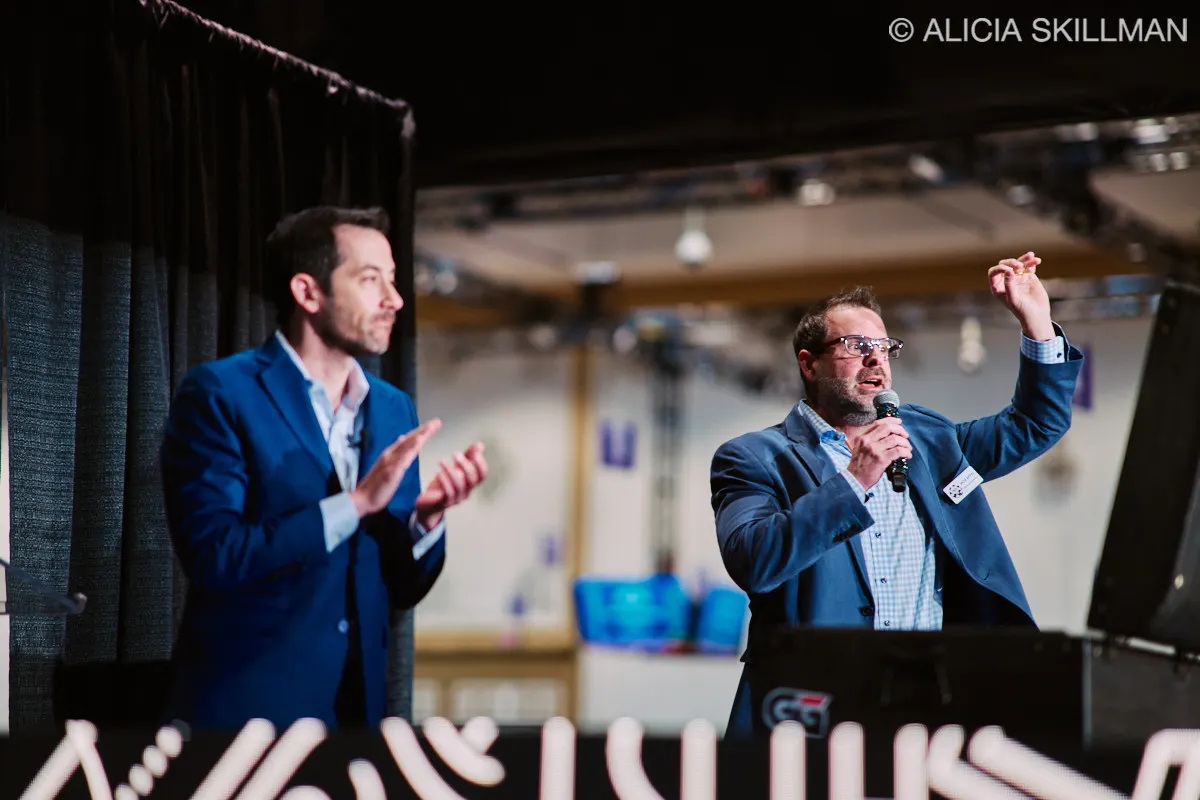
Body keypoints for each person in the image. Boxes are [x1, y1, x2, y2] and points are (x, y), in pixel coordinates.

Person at [710, 253, 1083, 739]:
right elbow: (755, 560)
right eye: (856, 346)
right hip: (815, 712)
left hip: (927, 708)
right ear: (809, 364)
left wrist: (1037, 322)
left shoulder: (931, 441)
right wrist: (853, 480)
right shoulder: (754, 457)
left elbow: (1035, 424)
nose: (876, 359)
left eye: (885, 347)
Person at [160, 206, 487, 731]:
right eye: (371, 280)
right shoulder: (221, 393)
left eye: (394, 280)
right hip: (248, 723)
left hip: (357, 721)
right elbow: (216, 556)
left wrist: (425, 521)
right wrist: (356, 504)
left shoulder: (392, 408)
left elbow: (401, 588)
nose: (395, 300)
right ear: (308, 293)